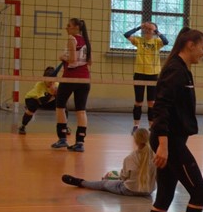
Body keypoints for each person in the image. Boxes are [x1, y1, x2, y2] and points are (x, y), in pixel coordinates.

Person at [142, 28, 203, 212]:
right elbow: (161, 108)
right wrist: (163, 145)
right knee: (199, 192)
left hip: (173, 140)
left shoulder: (183, 69)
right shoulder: (175, 70)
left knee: (164, 196)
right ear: (190, 45)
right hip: (170, 141)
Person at [61, 128, 156, 197]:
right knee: (114, 182)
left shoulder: (130, 158)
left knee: (104, 184)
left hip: (130, 190)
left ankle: (81, 182)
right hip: (148, 191)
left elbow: (123, 177)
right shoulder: (156, 156)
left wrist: (113, 177)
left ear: (135, 141)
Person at [51, 18, 91, 152]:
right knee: (81, 110)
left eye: (69, 26)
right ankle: (80, 142)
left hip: (70, 78)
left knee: (60, 106)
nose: (66, 28)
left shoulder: (71, 38)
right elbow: (90, 62)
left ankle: (62, 138)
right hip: (85, 79)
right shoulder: (86, 40)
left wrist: (63, 57)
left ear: (76, 28)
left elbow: (72, 60)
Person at [124, 21, 169, 133]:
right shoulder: (139, 40)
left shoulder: (157, 42)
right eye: (147, 29)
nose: (148, 31)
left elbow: (166, 41)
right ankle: (136, 126)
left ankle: (151, 126)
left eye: (151, 29)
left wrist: (156, 31)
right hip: (139, 73)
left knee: (151, 102)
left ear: (154, 31)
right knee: (138, 101)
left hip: (153, 74)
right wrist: (139, 27)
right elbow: (126, 35)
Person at [18, 64, 62, 134]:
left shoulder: (57, 85)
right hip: (33, 99)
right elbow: (42, 101)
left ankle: (64, 127)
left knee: (63, 106)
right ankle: (23, 126)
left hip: (48, 101)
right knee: (32, 107)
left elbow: (60, 98)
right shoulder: (39, 84)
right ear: (44, 78)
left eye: (53, 80)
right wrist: (52, 93)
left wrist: (55, 94)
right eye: (49, 80)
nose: (51, 82)